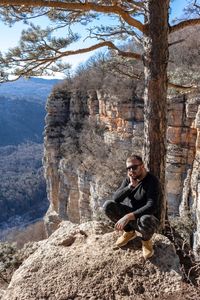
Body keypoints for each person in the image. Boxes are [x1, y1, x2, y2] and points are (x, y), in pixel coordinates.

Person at [103, 155, 160, 260]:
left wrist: (129, 216)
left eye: (134, 167)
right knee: (108, 206)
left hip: (148, 219)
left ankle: (146, 241)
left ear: (142, 166)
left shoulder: (152, 181)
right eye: (128, 168)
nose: (131, 170)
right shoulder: (129, 180)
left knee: (145, 218)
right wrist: (130, 187)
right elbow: (116, 199)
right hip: (133, 218)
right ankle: (129, 232)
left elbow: (151, 206)